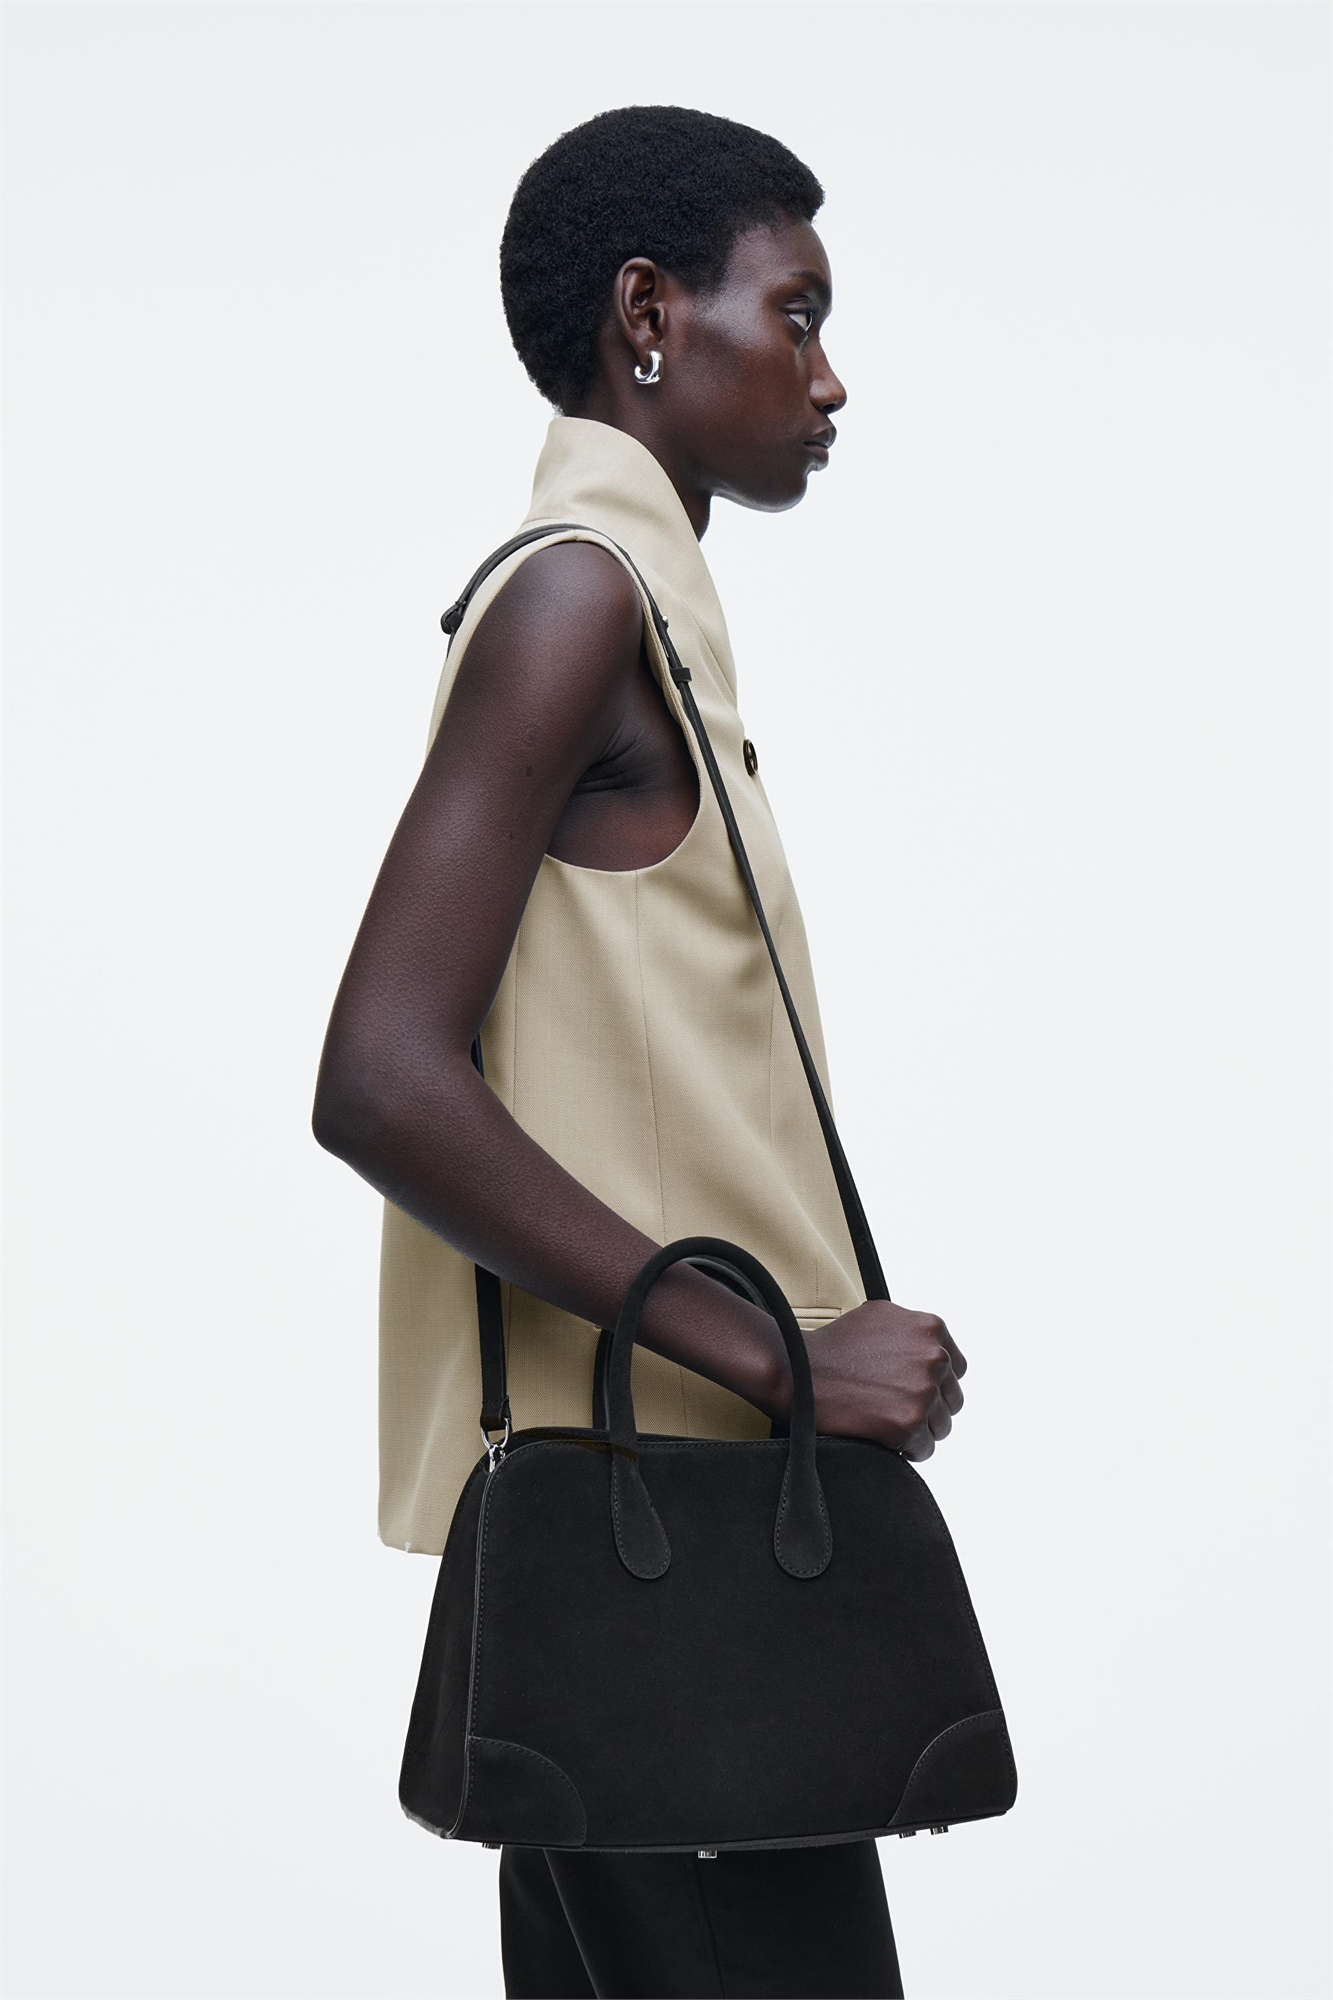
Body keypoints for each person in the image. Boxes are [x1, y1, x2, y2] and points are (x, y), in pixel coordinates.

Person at [313, 104, 967, 2000]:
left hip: (669, 1558)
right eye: (798, 312)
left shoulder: (644, 614)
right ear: (650, 315)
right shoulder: (578, 594)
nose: (829, 378)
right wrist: (782, 1356)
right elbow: (380, 1073)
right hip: (671, 1561)